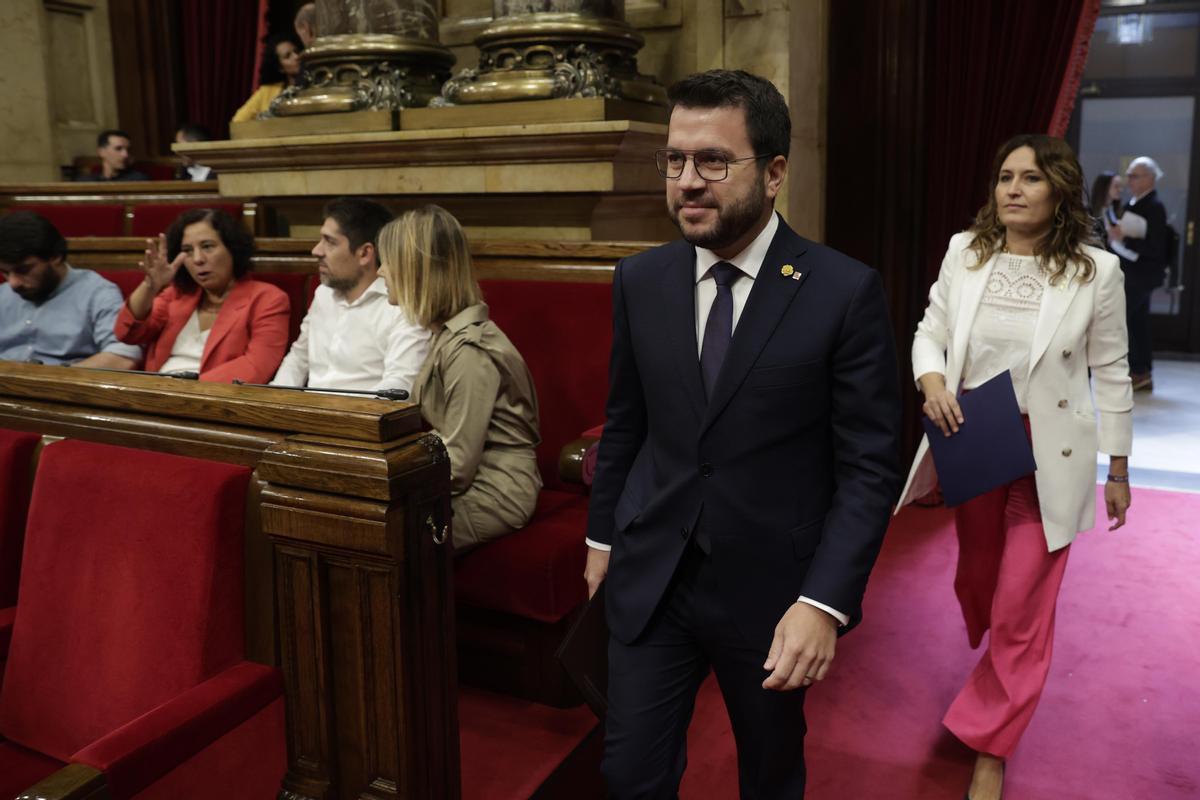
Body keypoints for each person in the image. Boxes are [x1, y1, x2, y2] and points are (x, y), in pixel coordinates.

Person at [584, 69, 902, 799]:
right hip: (653, 572)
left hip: (772, 591)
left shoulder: (842, 291)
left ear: (775, 173)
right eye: (675, 160)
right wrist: (602, 538)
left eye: (714, 161)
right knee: (629, 774)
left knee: (769, 774)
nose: (688, 181)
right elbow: (628, 420)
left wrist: (824, 601)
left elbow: (868, 467)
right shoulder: (641, 280)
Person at [898, 134, 1133, 800]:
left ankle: (990, 745)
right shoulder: (965, 254)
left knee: (1020, 603)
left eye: (1030, 178)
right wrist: (934, 381)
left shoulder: (1095, 272)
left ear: (1058, 190)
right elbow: (931, 330)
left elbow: (1111, 371)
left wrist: (1117, 467)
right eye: (1005, 177)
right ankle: (993, 658)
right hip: (975, 437)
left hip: (1049, 455)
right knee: (977, 581)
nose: (1013, 189)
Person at [377, 205, 541, 551]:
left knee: (387, 536)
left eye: (387, 261)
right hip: (471, 479)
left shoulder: (468, 350)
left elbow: (458, 465)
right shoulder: (445, 334)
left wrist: (386, 483)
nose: (379, 272)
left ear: (415, 269)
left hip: (496, 490)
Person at [272, 197, 430, 392]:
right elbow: (297, 359)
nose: (316, 250)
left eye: (330, 242)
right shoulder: (323, 294)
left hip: (362, 418)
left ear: (364, 253)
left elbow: (398, 388)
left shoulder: (402, 306)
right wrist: (273, 403)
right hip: (305, 416)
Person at [114, 208, 290, 383]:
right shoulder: (177, 295)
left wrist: (182, 391)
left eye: (207, 246)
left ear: (233, 248)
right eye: (188, 250)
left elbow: (257, 366)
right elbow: (127, 333)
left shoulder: (268, 299)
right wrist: (150, 287)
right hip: (157, 392)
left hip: (212, 400)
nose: (197, 259)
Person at [0, 211, 142, 368]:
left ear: (55, 257)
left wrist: (54, 380)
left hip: (62, 386)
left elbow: (122, 357)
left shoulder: (97, 293)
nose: (13, 283)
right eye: (5, 272)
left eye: (24, 270)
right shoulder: (3, 294)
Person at [1108, 156, 1168, 392]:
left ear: (1150, 179)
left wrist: (1125, 239)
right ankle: (1141, 372)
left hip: (1142, 274)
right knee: (1136, 322)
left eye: (1135, 176)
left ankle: (1136, 370)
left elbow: (1155, 247)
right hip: (1134, 272)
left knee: (1123, 321)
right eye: (1129, 175)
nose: (1129, 180)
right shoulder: (1136, 202)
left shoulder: (1153, 206)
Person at [231, 33, 304, 124]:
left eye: (297, 51)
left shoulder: (316, 85)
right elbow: (238, 121)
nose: (297, 57)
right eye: (288, 56)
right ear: (280, 68)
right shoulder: (267, 91)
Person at [75, 130, 150, 182]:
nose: (125, 155)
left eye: (128, 150)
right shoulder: (86, 182)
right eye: (118, 149)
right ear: (101, 152)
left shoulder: (138, 180)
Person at [1088, 170, 1121, 248]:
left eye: (1120, 186)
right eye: (1116, 186)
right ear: (1104, 187)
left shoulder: (1116, 210)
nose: (1120, 190)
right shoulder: (1089, 211)